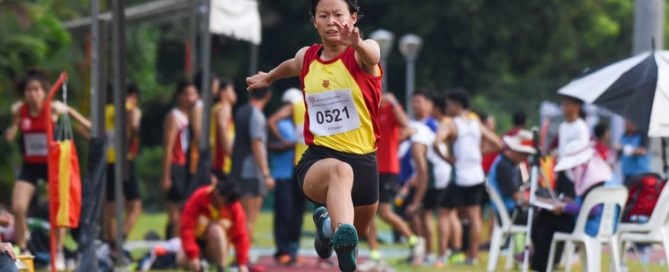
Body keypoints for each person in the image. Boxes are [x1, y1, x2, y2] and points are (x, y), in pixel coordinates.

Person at [245, 0, 382, 270]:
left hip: (365, 161)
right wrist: (270, 77)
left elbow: (373, 55)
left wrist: (357, 44)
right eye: (324, 15)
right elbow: (291, 66)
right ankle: (340, 236)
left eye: (338, 15)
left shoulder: (362, 54)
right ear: (314, 22)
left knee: (359, 230)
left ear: (353, 18)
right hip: (319, 160)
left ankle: (327, 228)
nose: (331, 21)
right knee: (340, 172)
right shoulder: (307, 57)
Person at [5, 70, 91, 269]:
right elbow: (14, 128)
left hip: (51, 165)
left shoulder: (52, 108)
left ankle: (59, 251)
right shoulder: (20, 110)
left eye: (36, 90)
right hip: (30, 165)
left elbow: (70, 113)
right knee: (18, 207)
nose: (32, 94)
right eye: (29, 90)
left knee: (59, 209)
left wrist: (87, 125)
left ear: (44, 92)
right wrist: (12, 130)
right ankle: (23, 250)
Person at [434, 90, 502, 265]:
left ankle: (441, 255)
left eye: (449, 105)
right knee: (475, 216)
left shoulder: (451, 123)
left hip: (460, 176)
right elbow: (498, 143)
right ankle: (473, 256)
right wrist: (480, 152)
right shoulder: (476, 123)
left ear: (457, 105)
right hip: (477, 176)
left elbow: (436, 143)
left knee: (443, 213)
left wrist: (446, 159)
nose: (447, 108)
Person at [531, 141, 614, 271]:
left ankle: (541, 265)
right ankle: (546, 263)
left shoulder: (594, 179)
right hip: (606, 225)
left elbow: (593, 210)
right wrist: (568, 202)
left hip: (590, 226)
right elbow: (590, 204)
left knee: (545, 218)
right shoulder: (602, 173)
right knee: (547, 220)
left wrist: (564, 207)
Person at [363, 92, 421, 267]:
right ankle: (374, 254)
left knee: (385, 213)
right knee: (368, 213)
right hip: (367, 167)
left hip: (388, 169)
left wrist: (394, 102)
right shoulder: (366, 110)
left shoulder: (390, 108)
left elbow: (406, 124)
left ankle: (413, 240)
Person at [230, 88, 275, 239]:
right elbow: (256, 143)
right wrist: (266, 173)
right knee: (249, 219)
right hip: (252, 172)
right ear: (268, 96)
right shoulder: (257, 115)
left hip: (238, 169)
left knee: (240, 219)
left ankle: (240, 257)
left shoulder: (241, 111)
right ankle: (244, 258)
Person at [178, 178, 250, 272]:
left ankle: (221, 268)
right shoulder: (200, 197)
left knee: (216, 230)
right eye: (226, 201)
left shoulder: (234, 207)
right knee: (182, 260)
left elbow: (241, 236)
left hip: (216, 247)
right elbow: (186, 228)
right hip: (197, 242)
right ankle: (200, 267)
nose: (226, 205)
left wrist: (242, 263)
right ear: (217, 193)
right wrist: (193, 255)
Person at [267, 88, 305, 265]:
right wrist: (285, 144)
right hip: (283, 174)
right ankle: (282, 249)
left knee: (297, 211)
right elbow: (272, 145)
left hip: (298, 173)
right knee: (284, 212)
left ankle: (293, 248)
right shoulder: (281, 125)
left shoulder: (301, 122)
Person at [103, 83, 142, 251]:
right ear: (133, 96)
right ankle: (121, 238)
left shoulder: (105, 110)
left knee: (109, 208)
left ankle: (112, 245)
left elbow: (87, 130)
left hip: (107, 160)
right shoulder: (130, 107)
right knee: (135, 206)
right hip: (125, 160)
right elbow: (134, 125)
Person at [162, 80, 199, 239]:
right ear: (180, 96)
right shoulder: (174, 116)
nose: (191, 98)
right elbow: (168, 146)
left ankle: (179, 242)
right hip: (176, 164)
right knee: (175, 212)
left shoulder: (193, 115)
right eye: (187, 94)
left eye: (193, 94)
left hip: (187, 166)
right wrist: (166, 175)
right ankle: (171, 243)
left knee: (185, 209)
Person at [487, 130, 536, 225]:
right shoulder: (504, 166)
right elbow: (516, 196)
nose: (524, 158)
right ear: (515, 151)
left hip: (511, 211)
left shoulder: (509, 164)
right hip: (509, 212)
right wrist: (536, 202)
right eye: (523, 154)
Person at [211, 78, 238, 177]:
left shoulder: (217, 108)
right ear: (223, 92)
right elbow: (222, 130)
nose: (235, 94)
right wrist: (230, 154)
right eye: (232, 90)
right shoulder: (224, 108)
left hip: (218, 161)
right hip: (223, 162)